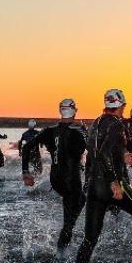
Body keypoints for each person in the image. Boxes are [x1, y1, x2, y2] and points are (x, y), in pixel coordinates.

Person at [75, 89, 132, 263]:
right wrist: (114, 181)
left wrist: (123, 155)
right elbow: (104, 152)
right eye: (123, 106)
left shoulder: (96, 123)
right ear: (121, 105)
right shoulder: (116, 124)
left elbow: (95, 152)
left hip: (94, 185)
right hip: (111, 184)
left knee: (90, 238)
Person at [21, 99, 87, 254]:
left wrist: (25, 172)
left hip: (55, 178)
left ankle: (66, 235)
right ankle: (61, 248)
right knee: (72, 213)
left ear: (60, 111)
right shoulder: (80, 129)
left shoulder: (49, 130)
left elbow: (26, 147)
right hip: (71, 178)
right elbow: (96, 148)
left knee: (78, 200)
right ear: (74, 110)